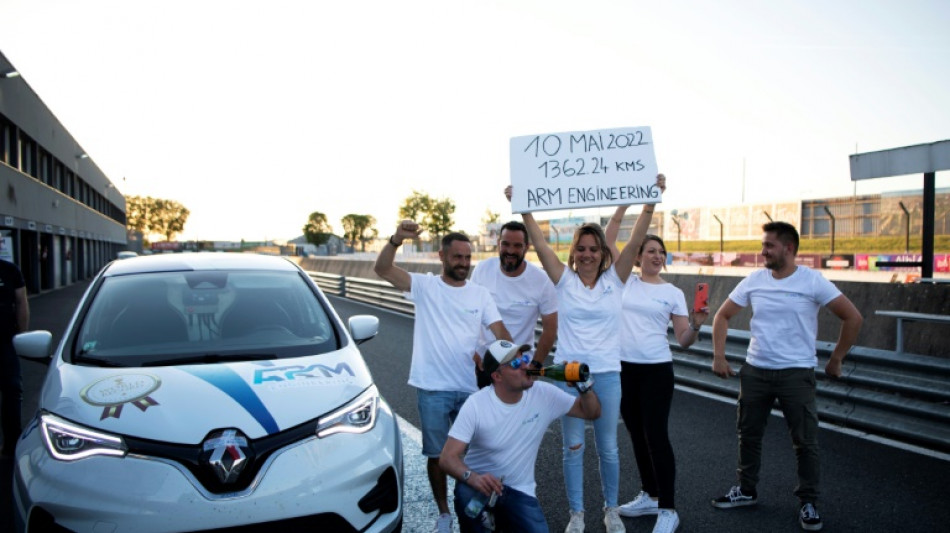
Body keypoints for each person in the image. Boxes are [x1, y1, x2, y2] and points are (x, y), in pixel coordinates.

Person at [507, 175, 663, 533]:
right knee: (572, 448)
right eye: (581, 249)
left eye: (594, 248)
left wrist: (650, 202)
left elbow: (637, 236)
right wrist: (524, 208)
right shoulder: (563, 280)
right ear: (574, 253)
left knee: (608, 448)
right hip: (567, 373)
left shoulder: (615, 281)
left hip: (607, 374)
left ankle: (611, 510)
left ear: (603, 253)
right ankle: (577, 514)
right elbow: (542, 245)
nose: (588, 254)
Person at [709, 221, 863, 532]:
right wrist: (719, 356)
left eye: (768, 245)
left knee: (805, 442)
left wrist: (836, 359)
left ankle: (808, 501)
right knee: (748, 435)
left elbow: (853, 317)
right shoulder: (755, 280)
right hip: (756, 371)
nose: (762, 251)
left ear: (788, 248)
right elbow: (722, 315)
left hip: (796, 373)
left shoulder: (812, 281)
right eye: (763, 244)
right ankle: (747, 490)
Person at [374, 221, 512, 533]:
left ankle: (476, 509)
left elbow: (500, 332)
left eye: (467, 257)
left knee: (476, 455)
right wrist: (396, 240)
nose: (463, 263)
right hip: (432, 389)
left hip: (468, 388)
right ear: (442, 256)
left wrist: (512, 361)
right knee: (437, 457)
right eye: (457, 257)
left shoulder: (480, 294)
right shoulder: (424, 287)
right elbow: (382, 268)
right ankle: (444, 513)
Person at [604, 201, 705, 533]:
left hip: (657, 371)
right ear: (637, 256)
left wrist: (698, 324)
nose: (657, 255)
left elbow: (683, 339)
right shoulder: (624, 281)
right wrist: (625, 204)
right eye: (650, 250)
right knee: (635, 434)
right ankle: (649, 494)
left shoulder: (673, 292)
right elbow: (608, 239)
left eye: (661, 251)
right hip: (623, 370)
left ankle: (668, 508)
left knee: (656, 436)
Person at [440, 339, 601, 533]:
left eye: (524, 358)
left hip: (519, 490)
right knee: (468, 501)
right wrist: (473, 478)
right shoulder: (476, 404)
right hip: (480, 487)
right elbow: (447, 458)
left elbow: (591, 412)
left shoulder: (544, 394)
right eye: (515, 364)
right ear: (497, 376)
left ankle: (500, 520)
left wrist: (584, 385)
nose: (525, 365)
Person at [470, 220, 558, 388]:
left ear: (527, 247)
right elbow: (470, 314)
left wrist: (536, 365)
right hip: (484, 363)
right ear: (498, 244)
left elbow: (550, 328)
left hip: (519, 366)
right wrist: (472, 352)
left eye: (517, 246)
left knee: (519, 414)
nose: (510, 251)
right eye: (506, 244)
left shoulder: (541, 280)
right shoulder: (482, 269)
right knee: (483, 413)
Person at [1, 257, 29, 458]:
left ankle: (11, 446)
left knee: (12, 390)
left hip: (5, 342)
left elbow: (21, 302)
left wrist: (21, 337)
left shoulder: (9, 271)